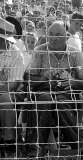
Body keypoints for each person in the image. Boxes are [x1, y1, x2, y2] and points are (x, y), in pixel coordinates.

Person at [25, 20, 83, 156]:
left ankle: (76, 146)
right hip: (43, 91)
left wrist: (73, 83)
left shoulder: (75, 53)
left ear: (66, 37)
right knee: (45, 99)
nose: (53, 38)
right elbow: (28, 78)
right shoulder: (40, 50)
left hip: (67, 93)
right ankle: (35, 149)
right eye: (50, 34)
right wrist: (44, 78)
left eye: (58, 34)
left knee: (62, 101)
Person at [0, 17, 25, 155]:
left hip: (8, 93)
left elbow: (13, 85)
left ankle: (9, 140)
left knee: (5, 99)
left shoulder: (16, 54)